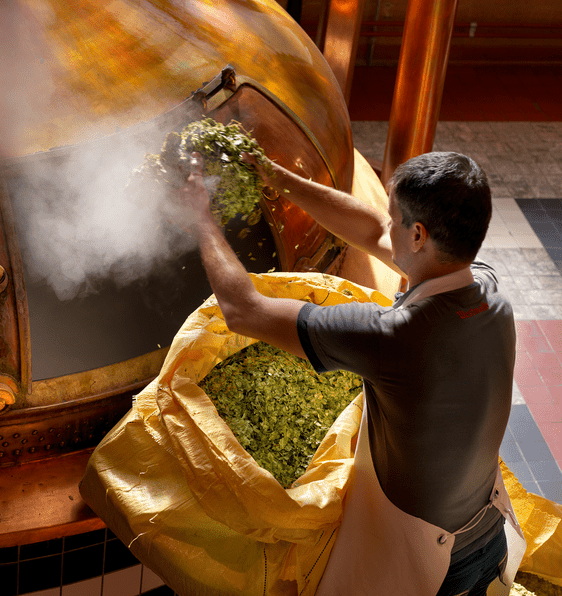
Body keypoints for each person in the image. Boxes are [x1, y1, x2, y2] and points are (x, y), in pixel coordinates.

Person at [181, 150, 525, 595]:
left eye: (395, 216)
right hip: (489, 531)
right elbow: (374, 231)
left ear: (419, 235)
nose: (387, 224)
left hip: (434, 564)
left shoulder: (394, 337)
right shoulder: (490, 290)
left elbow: (242, 309)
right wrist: (277, 176)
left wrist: (201, 221)